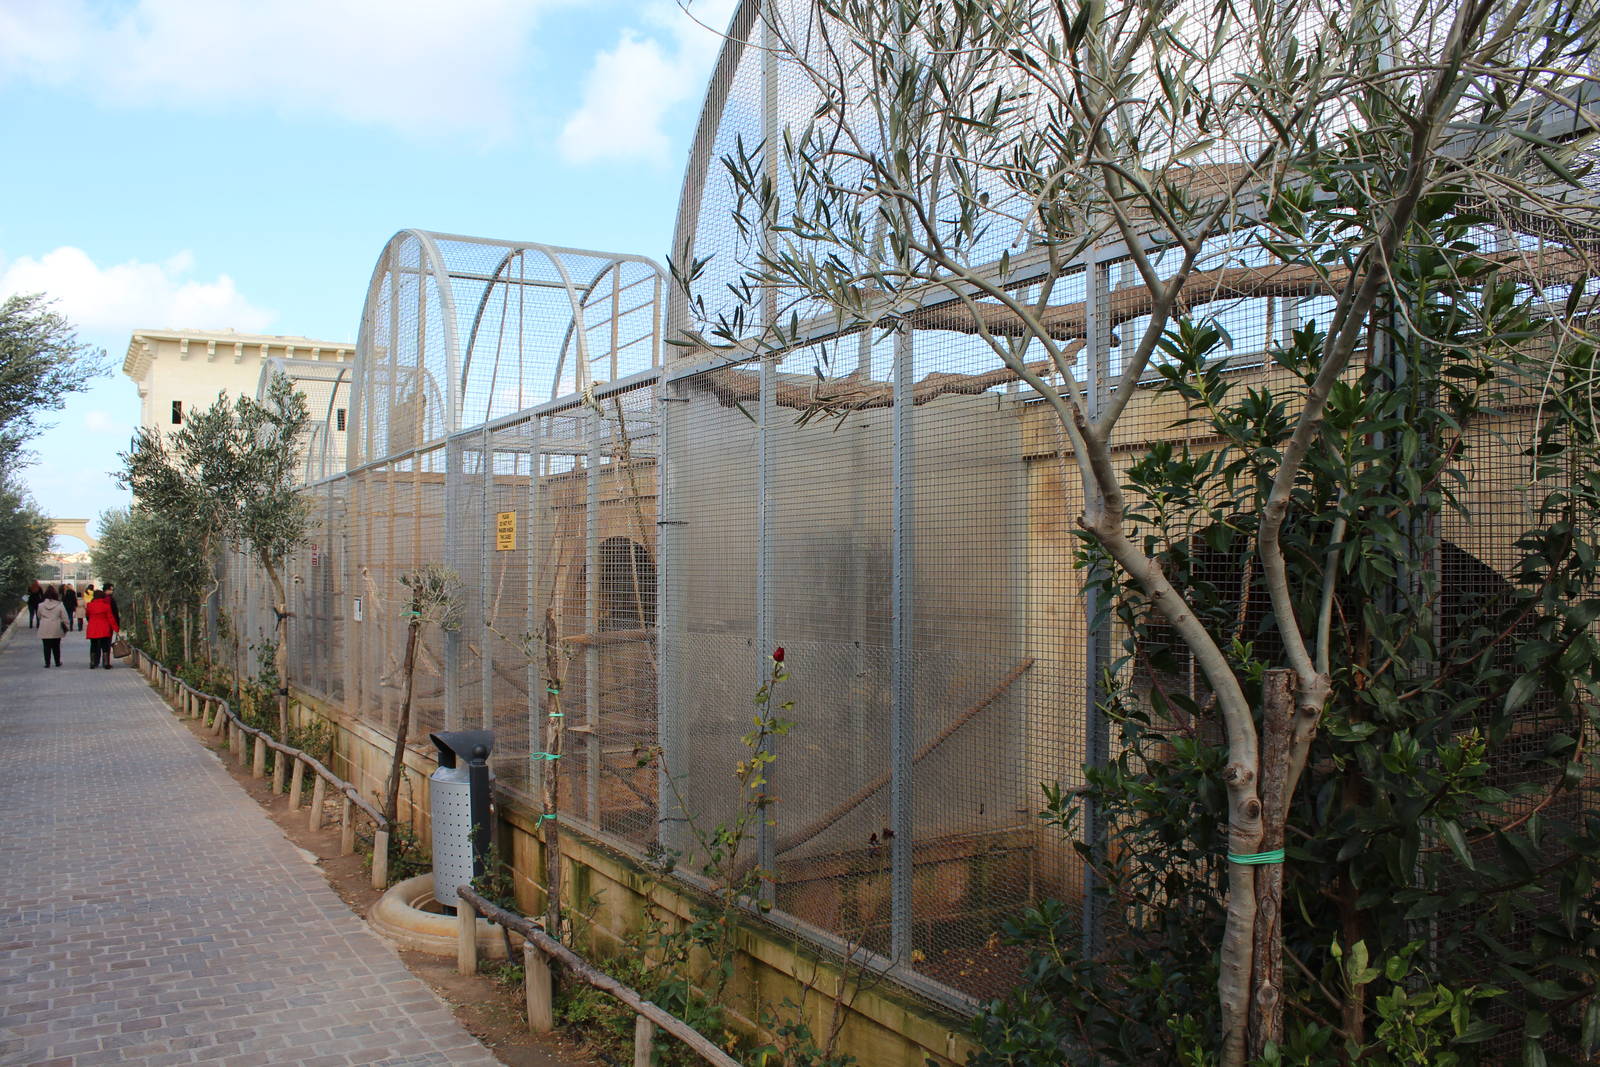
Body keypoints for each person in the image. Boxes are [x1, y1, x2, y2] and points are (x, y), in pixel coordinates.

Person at [84, 586, 118, 669]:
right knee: (105, 645)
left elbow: (87, 616)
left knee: (93, 645)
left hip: (93, 628)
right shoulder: (106, 606)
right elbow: (110, 618)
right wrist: (116, 628)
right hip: (104, 627)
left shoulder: (89, 606)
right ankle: (106, 663)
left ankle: (93, 663)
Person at [36, 586, 68, 667]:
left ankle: (47, 663)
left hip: (45, 627)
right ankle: (57, 662)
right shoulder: (60, 605)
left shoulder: (41, 605)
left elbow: (38, 616)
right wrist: (66, 625)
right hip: (56, 626)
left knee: (46, 646)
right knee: (56, 646)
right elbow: (64, 617)